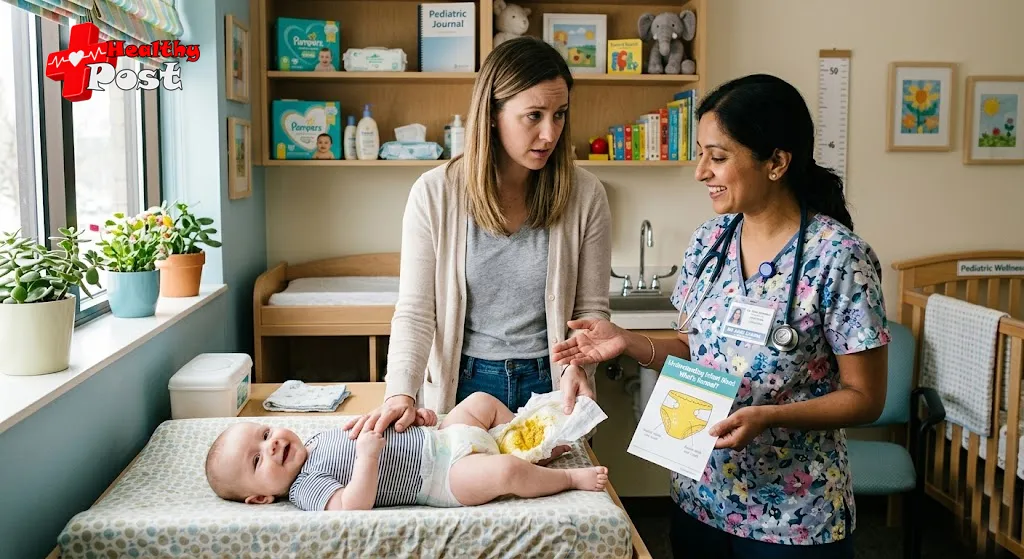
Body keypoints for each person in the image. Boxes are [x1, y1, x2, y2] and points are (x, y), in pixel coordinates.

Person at [552, 74, 890, 558]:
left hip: (796, 517)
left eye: (718, 156)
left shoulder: (838, 257)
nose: (700, 172)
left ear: (776, 162)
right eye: (701, 154)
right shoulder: (710, 243)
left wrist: (771, 416)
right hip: (701, 497)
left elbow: (865, 397)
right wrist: (626, 340)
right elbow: (695, 349)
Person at [344, 36, 611, 439]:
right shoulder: (435, 193)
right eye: (533, 115)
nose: (550, 133)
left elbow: (590, 312)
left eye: (560, 115)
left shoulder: (586, 194)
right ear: (491, 114)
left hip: (551, 384)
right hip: (462, 385)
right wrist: (400, 393)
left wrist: (577, 368)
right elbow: (417, 311)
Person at [204, 392, 608, 511]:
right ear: (260, 496)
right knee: (502, 473)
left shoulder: (315, 441)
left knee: (481, 401)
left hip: (441, 438)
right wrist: (366, 456)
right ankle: (566, 476)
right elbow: (352, 507)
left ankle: (533, 442)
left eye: (265, 431)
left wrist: (420, 420)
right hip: (441, 478)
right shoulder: (304, 488)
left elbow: (387, 429)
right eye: (257, 459)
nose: (271, 443)